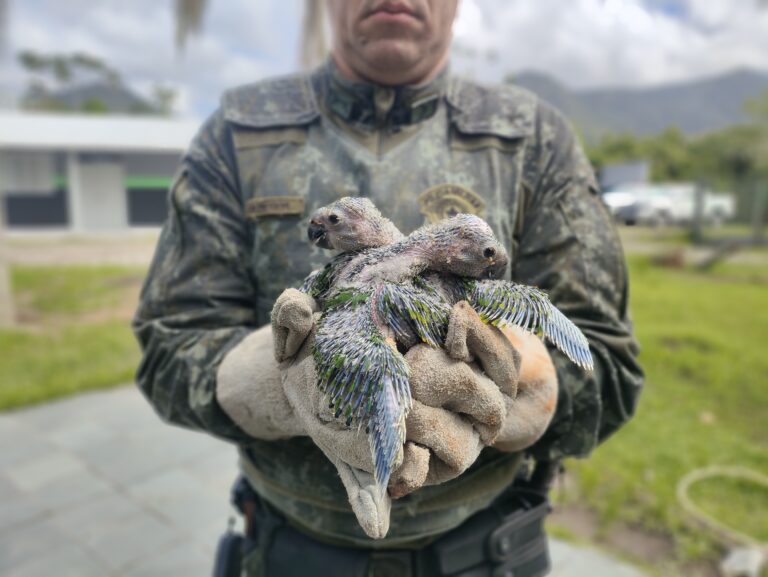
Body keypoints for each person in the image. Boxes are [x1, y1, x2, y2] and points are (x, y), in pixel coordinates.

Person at [133, 1, 643, 575]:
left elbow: (610, 370)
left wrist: (527, 377)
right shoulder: (238, 133)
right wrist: (269, 382)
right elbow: (168, 352)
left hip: (486, 548)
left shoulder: (534, 139)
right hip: (289, 547)